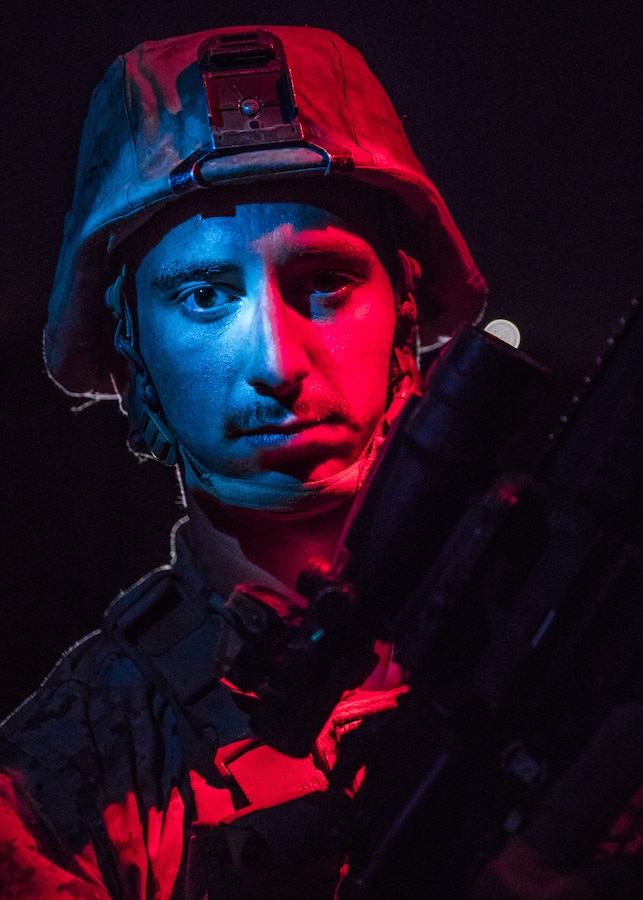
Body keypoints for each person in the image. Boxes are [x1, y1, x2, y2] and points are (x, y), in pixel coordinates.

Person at [0, 23, 640, 900]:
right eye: (203, 296)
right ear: (130, 349)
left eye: (325, 284)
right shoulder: (55, 792)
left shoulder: (568, 629)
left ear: (405, 310)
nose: (276, 362)